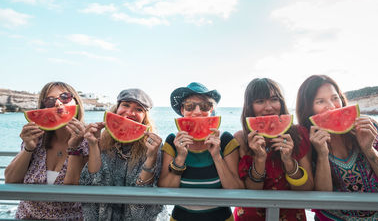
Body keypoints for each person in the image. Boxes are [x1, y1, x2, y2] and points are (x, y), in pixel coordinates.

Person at [296, 74, 378, 220]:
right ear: (308, 109)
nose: (332, 107)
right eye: (320, 101)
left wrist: (369, 150)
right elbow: (323, 198)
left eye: (335, 98)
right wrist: (322, 154)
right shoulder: (307, 140)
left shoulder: (368, 127)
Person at [158, 82, 244, 221]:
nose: (197, 111)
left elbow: (237, 191)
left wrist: (217, 157)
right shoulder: (173, 141)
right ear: (182, 110)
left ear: (212, 110)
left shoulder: (226, 140)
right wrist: (180, 158)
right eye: (190, 106)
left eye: (205, 106)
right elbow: (165, 191)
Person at [5, 81, 88, 220]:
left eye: (65, 97)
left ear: (76, 101)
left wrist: (75, 146)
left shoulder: (89, 141)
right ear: (44, 108)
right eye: (50, 101)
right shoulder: (35, 138)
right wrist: (28, 148)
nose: (58, 103)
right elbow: (10, 180)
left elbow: (72, 192)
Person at [234, 78, 314, 221]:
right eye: (260, 101)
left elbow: (306, 188)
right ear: (249, 106)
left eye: (274, 99)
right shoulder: (241, 139)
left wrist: (288, 161)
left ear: (281, 103)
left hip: (292, 217)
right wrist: (259, 159)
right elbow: (252, 192)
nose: (269, 107)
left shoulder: (299, 134)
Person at [79, 88, 164, 221]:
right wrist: (94, 145)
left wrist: (151, 157)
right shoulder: (101, 140)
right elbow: (94, 183)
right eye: (125, 105)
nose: (130, 112)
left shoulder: (153, 146)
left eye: (139, 109)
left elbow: (142, 198)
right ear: (117, 108)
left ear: (145, 118)